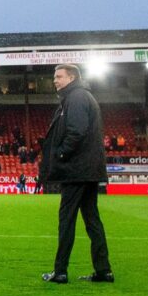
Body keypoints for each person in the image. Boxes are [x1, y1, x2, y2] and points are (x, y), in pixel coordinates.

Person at [40, 64, 114, 284]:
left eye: (59, 76)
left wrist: (60, 155)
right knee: (92, 220)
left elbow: (77, 131)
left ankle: (60, 271)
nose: (55, 80)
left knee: (67, 220)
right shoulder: (80, 97)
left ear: (71, 77)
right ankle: (104, 270)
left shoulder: (77, 97)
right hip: (87, 170)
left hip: (76, 170)